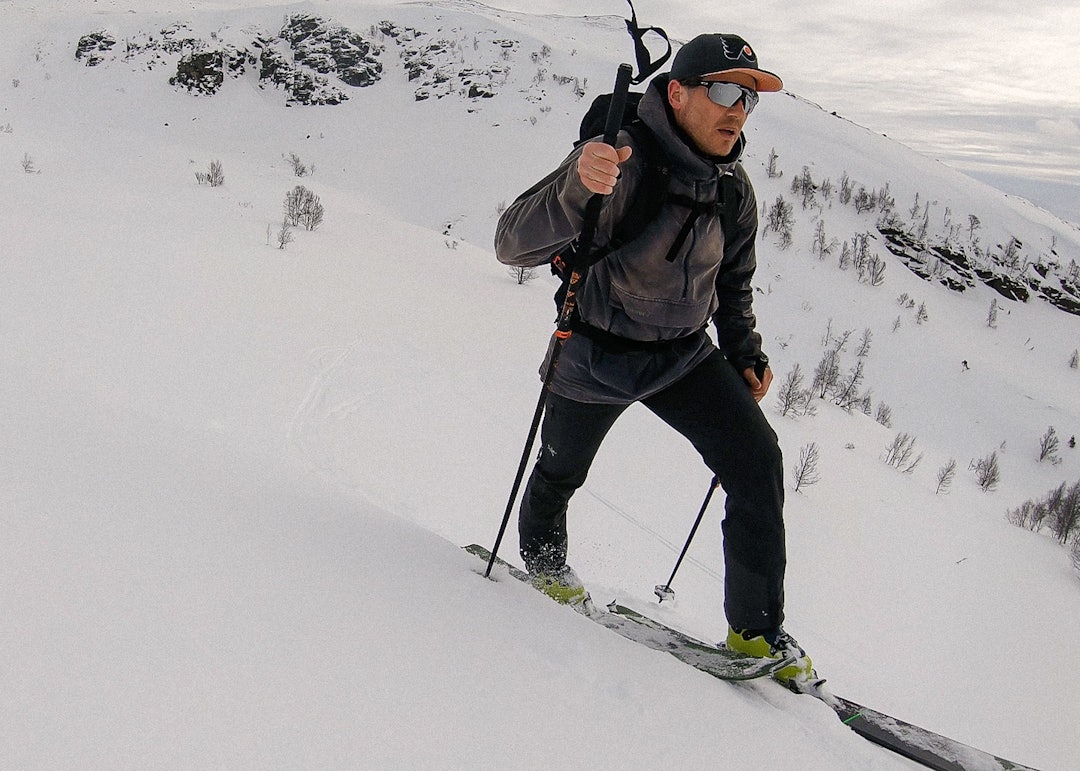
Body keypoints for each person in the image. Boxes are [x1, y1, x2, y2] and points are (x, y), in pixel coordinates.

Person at [495, 34, 812, 682]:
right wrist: (576, 188)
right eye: (723, 90)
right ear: (676, 93)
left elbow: (734, 281)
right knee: (560, 470)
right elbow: (510, 245)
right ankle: (544, 563)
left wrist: (743, 350)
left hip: (681, 356)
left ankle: (754, 632)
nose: (737, 110)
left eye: (748, 98)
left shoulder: (733, 189)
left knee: (756, 462)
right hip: (594, 350)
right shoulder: (618, 162)